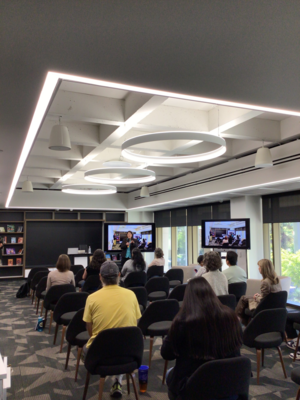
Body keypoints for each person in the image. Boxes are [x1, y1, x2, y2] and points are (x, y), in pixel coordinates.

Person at [161, 277, 242, 400]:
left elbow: (167, 353)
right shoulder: (231, 317)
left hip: (191, 388)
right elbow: (237, 347)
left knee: (169, 374)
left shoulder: (183, 322)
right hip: (228, 386)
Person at [83, 261, 141, 398]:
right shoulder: (131, 295)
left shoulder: (91, 298)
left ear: (100, 277)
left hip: (100, 355)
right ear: (119, 275)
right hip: (129, 353)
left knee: (85, 347)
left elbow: (89, 329)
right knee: (121, 339)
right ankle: (118, 381)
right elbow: (136, 323)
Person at [235, 259, 282, 326]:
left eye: (259, 266)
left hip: (265, 307)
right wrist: (259, 296)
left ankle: (237, 320)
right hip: (275, 305)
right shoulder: (277, 280)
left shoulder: (265, 282)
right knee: (244, 298)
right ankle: (243, 323)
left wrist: (256, 297)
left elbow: (263, 300)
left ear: (263, 268)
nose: (258, 268)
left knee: (243, 299)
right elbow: (269, 295)